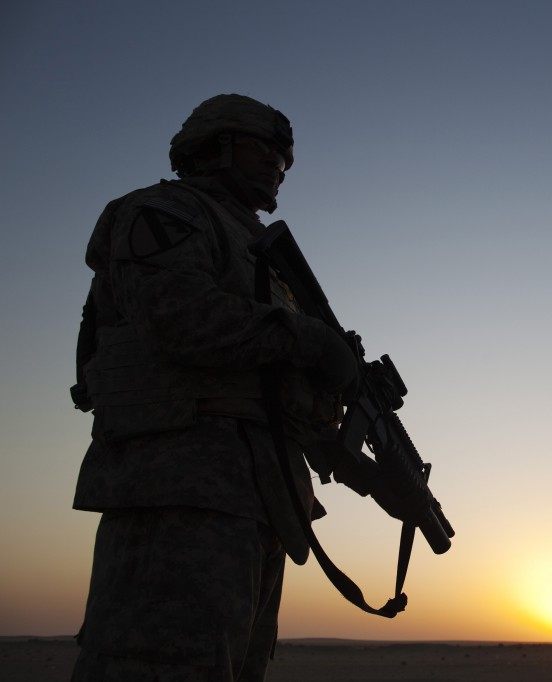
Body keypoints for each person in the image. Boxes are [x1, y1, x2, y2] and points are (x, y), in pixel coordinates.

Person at [70, 94, 360, 681]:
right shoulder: (166, 212)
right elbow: (181, 319)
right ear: (215, 147)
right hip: (177, 487)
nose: (279, 164)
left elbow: (275, 380)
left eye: (286, 157)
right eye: (265, 149)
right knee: (159, 664)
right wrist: (307, 340)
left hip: (256, 497)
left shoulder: (262, 253)